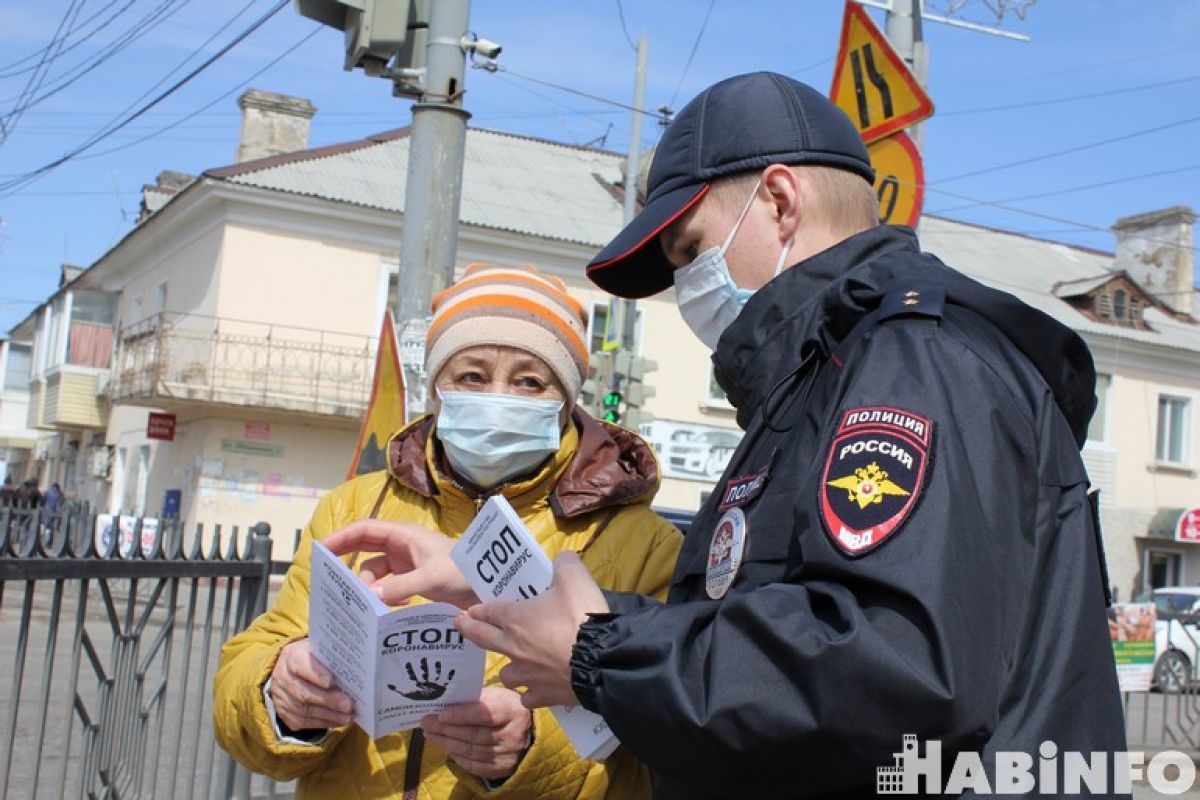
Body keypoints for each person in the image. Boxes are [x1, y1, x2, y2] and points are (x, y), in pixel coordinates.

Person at [326, 73, 1127, 797]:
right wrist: (512, 595)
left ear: (780, 201)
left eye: (690, 250)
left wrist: (599, 655)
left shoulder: (912, 359)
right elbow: (772, 621)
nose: (685, 288)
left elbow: (893, 668)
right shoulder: (822, 376)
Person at [214, 263, 682, 799]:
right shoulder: (356, 508)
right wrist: (280, 694)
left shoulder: (645, 545)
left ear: (567, 399)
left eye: (530, 381)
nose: (497, 398)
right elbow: (255, 669)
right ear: (437, 387)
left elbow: (659, 742)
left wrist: (528, 748)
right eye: (472, 376)